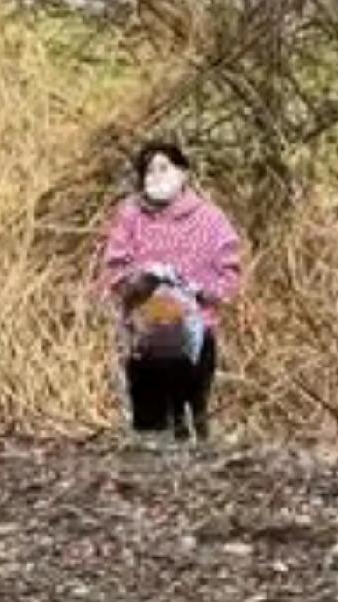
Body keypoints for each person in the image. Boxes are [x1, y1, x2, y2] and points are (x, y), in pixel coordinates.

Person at [101, 140, 242, 441]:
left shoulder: (211, 220)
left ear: (183, 173)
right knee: (152, 431)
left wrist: (198, 290)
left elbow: (229, 276)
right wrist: (141, 282)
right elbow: (114, 271)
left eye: (163, 168)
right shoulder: (130, 217)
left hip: (197, 334)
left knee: (195, 419)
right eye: (148, 171)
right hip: (145, 339)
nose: (155, 177)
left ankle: (202, 474)